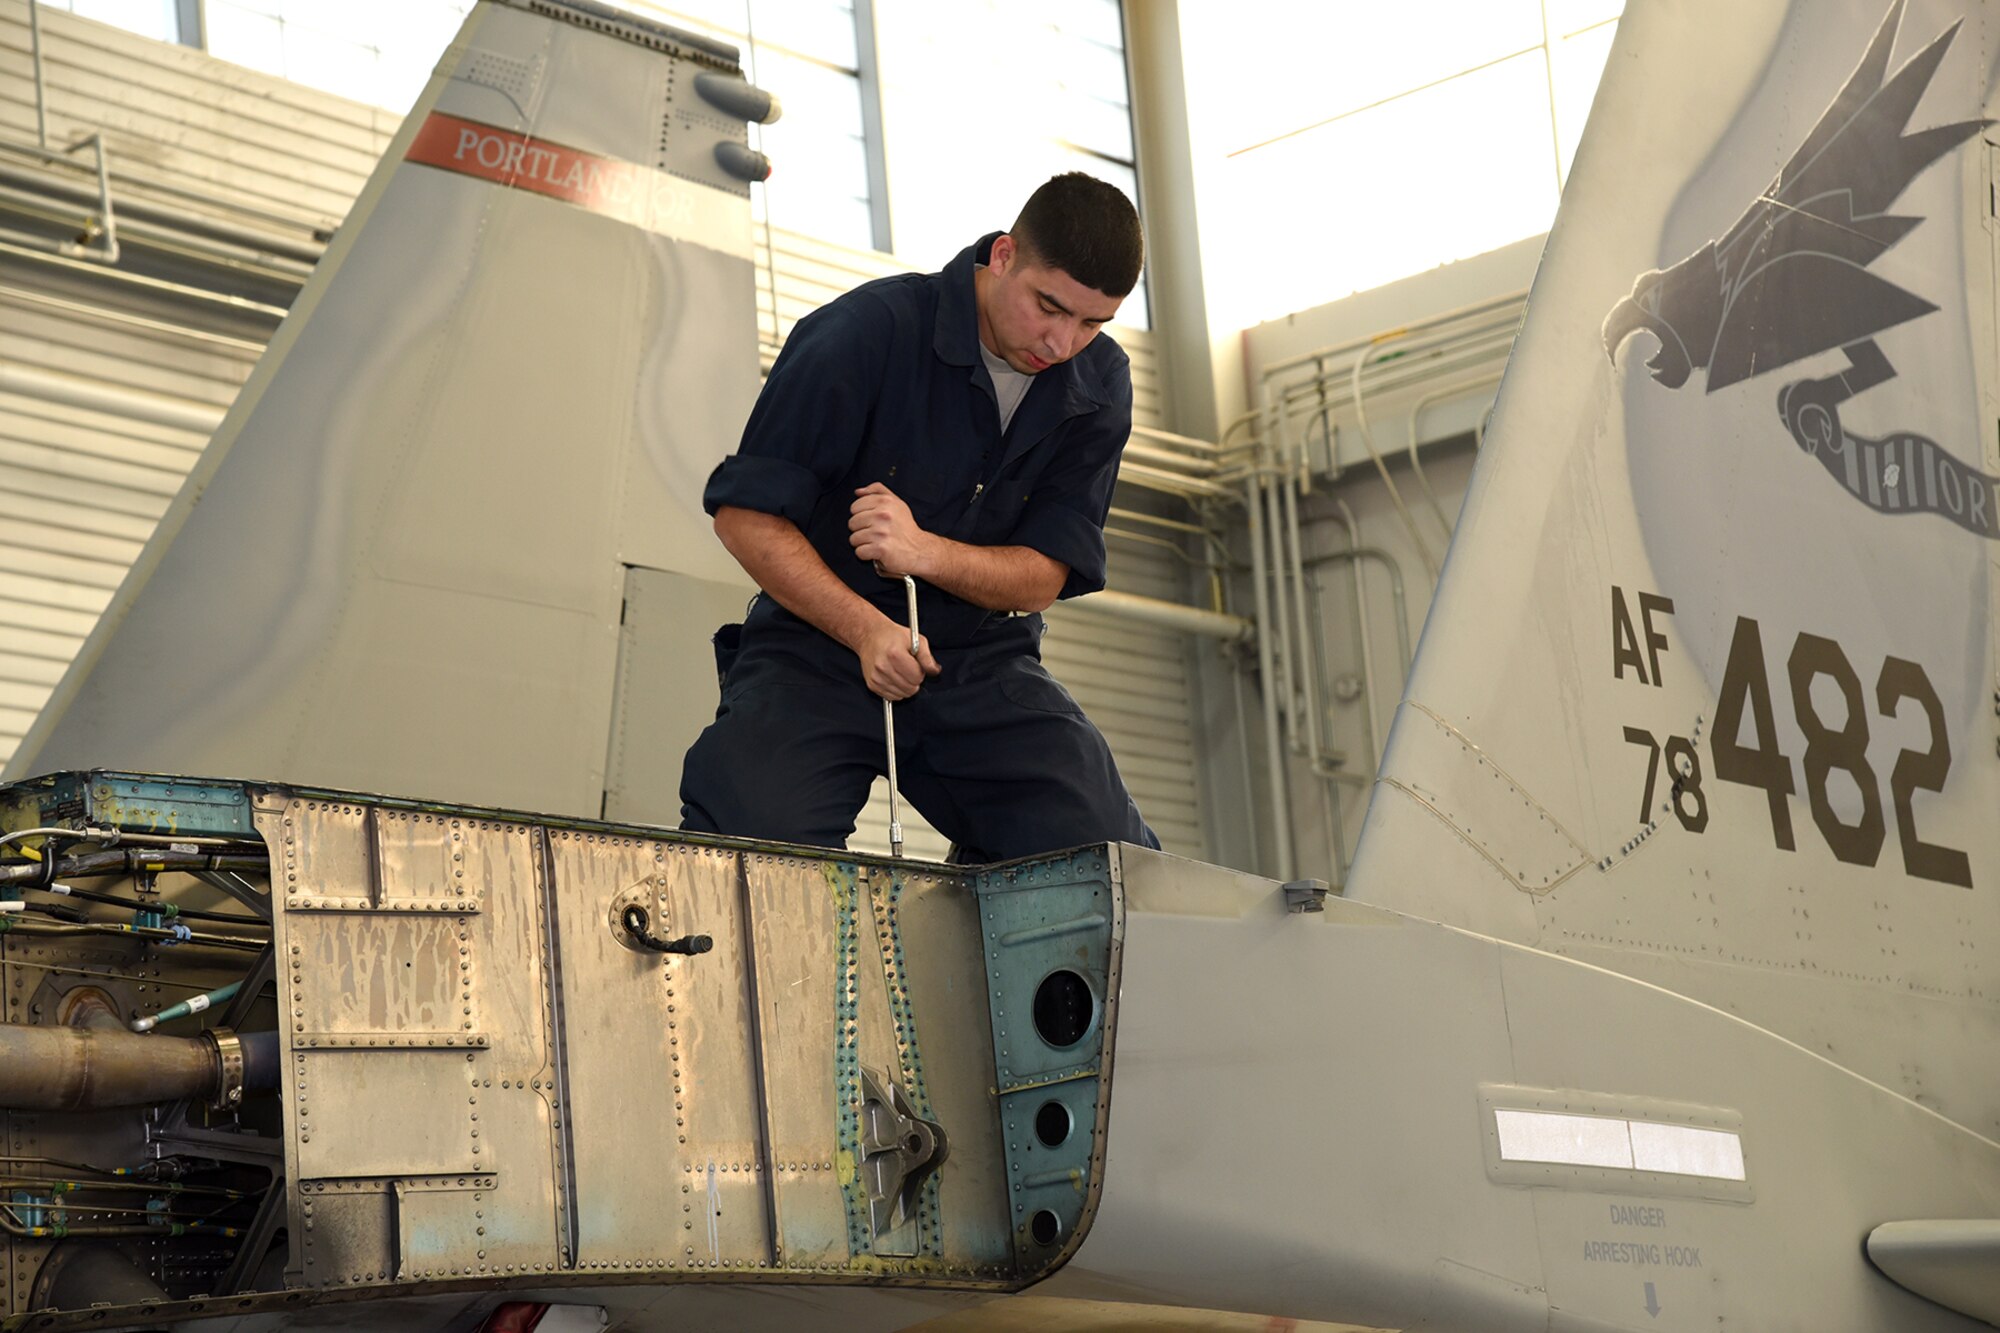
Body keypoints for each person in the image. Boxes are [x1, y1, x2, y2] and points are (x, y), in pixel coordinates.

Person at [678, 172, 1160, 863]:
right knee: (750, 838)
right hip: (819, 643)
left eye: (1092, 323)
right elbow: (745, 517)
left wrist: (923, 551)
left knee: (1105, 855)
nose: (1062, 343)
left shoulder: (1100, 385)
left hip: (978, 659)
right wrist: (868, 629)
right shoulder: (863, 334)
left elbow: (1041, 577)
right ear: (1002, 257)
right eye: (1048, 306)